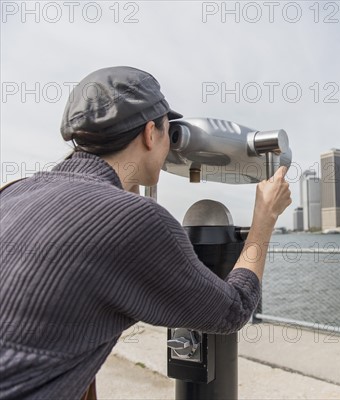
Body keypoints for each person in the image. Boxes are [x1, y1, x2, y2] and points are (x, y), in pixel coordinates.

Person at [0, 66, 291, 399]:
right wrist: (264, 219)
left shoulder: (13, 193)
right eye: (169, 132)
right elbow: (233, 310)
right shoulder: (134, 220)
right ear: (150, 133)